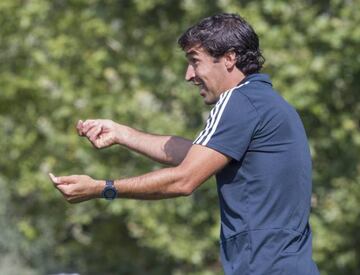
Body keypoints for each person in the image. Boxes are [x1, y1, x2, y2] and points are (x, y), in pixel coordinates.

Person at [49, 13, 319, 275]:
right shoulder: (266, 102)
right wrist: (122, 134)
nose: (189, 75)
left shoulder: (239, 101)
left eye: (195, 61)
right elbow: (197, 155)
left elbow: (184, 180)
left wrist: (103, 188)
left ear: (229, 58)